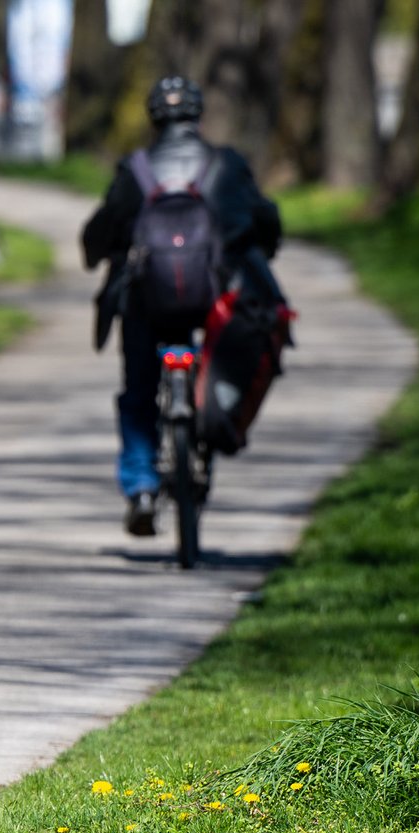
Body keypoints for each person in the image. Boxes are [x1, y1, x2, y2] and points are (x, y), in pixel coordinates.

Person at [82, 76, 287, 536]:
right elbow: (264, 218)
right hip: (211, 301)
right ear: (197, 116)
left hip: (146, 301)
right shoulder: (225, 166)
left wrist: (98, 255)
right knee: (222, 361)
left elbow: (101, 230)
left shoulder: (135, 170)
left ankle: (140, 487)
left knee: (138, 394)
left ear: (153, 118)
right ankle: (209, 432)